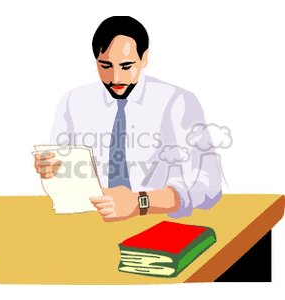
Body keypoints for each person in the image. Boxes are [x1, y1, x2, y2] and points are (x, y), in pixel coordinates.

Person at [34, 16, 222, 222]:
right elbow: (63, 178)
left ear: (144, 58)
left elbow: (210, 188)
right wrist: (50, 170)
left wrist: (140, 202)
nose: (115, 78)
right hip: (88, 223)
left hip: (158, 222)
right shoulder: (72, 101)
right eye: (105, 66)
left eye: (126, 66)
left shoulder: (178, 101)